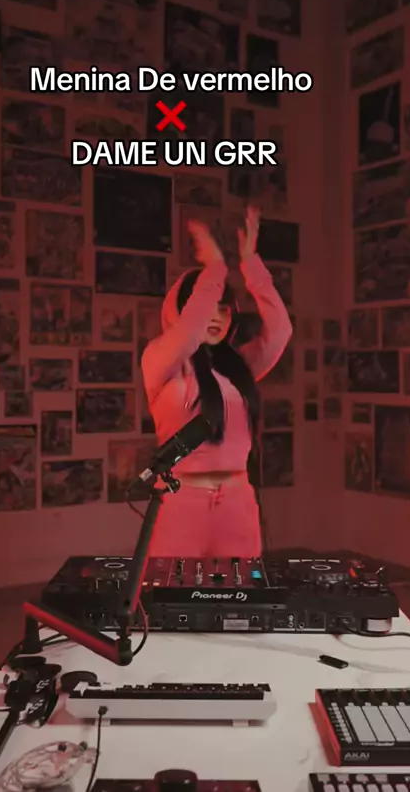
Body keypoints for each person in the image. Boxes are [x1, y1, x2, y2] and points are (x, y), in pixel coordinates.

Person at [141, 206, 293, 558]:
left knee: (239, 592)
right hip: (181, 503)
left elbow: (281, 330)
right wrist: (214, 270)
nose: (216, 316)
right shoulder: (161, 360)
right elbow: (188, 333)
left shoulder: (237, 368)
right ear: (183, 309)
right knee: (175, 591)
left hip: (237, 504)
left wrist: (251, 265)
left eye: (224, 308)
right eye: (207, 304)